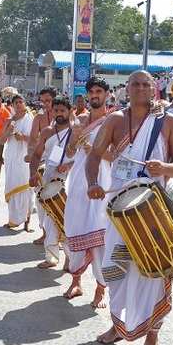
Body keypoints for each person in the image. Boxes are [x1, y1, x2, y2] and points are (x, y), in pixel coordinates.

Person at [86, 70, 173, 345]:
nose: (141, 88)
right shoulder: (115, 120)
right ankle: (118, 326)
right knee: (115, 270)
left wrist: (165, 169)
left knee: (155, 270)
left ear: (154, 88)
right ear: (126, 89)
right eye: (136, 84)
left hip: (155, 209)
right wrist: (93, 182)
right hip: (119, 206)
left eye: (147, 84)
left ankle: (152, 337)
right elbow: (94, 155)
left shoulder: (168, 121)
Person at [62, 76, 112, 307]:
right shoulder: (80, 121)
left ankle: (101, 289)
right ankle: (76, 280)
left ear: (107, 95)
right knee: (74, 228)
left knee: (100, 235)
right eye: (91, 91)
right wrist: (75, 139)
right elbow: (70, 152)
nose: (95, 95)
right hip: (78, 184)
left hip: (102, 185)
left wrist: (95, 149)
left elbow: (118, 157)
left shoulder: (115, 122)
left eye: (99, 91)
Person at [29, 96, 73, 269]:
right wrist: (33, 173)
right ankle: (52, 257)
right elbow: (37, 155)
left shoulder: (76, 131)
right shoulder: (47, 132)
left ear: (69, 111)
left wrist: (69, 164)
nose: (59, 113)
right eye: (56, 110)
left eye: (63, 110)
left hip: (68, 179)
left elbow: (84, 158)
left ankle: (70, 260)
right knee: (49, 219)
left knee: (66, 219)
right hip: (48, 178)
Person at [25, 86, 57, 244]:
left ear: (54, 100)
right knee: (41, 199)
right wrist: (31, 154)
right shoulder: (38, 118)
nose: (45, 104)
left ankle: (59, 235)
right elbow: (32, 140)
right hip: (42, 161)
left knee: (58, 199)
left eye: (48, 101)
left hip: (60, 164)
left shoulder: (64, 115)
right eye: (43, 101)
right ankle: (45, 233)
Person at [0, 95, 34, 231]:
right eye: (16, 103)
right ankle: (13, 220)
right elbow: (2, 140)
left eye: (21, 102)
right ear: (12, 105)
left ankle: (27, 221)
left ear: (24, 104)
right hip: (12, 157)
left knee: (26, 188)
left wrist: (23, 137)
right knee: (12, 186)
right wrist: (10, 127)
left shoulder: (31, 119)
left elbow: (36, 139)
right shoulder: (9, 120)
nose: (19, 105)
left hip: (25, 158)